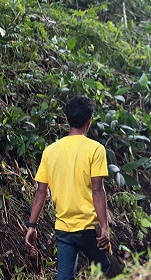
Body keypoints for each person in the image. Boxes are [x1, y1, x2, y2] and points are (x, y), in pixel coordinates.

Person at [25, 95, 111, 280]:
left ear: (68, 119)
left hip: (63, 228)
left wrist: (32, 225)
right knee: (107, 269)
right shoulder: (95, 149)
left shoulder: (50, 151)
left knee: (64, 277)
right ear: (89, 121)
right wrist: (104, 227)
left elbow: (41, 191)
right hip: (88, 228)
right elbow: (97, 190)